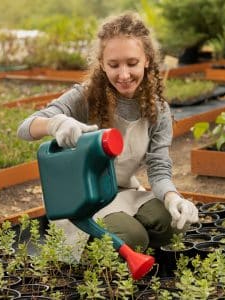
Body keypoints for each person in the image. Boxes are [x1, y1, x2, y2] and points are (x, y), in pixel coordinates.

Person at [17, 12, 198, 252]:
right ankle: (105, 244)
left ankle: (123, 238)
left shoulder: (158, 110)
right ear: (102, 63)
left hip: (124, 190)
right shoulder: (85, 97)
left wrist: (172, 197)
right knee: (133, 238)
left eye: (132, 63)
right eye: (114, 65)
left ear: (147, 60)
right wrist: (55, 123)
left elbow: (158, 167)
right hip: (84, 199)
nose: (123, 75)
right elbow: (25, 128)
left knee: (173, 225)